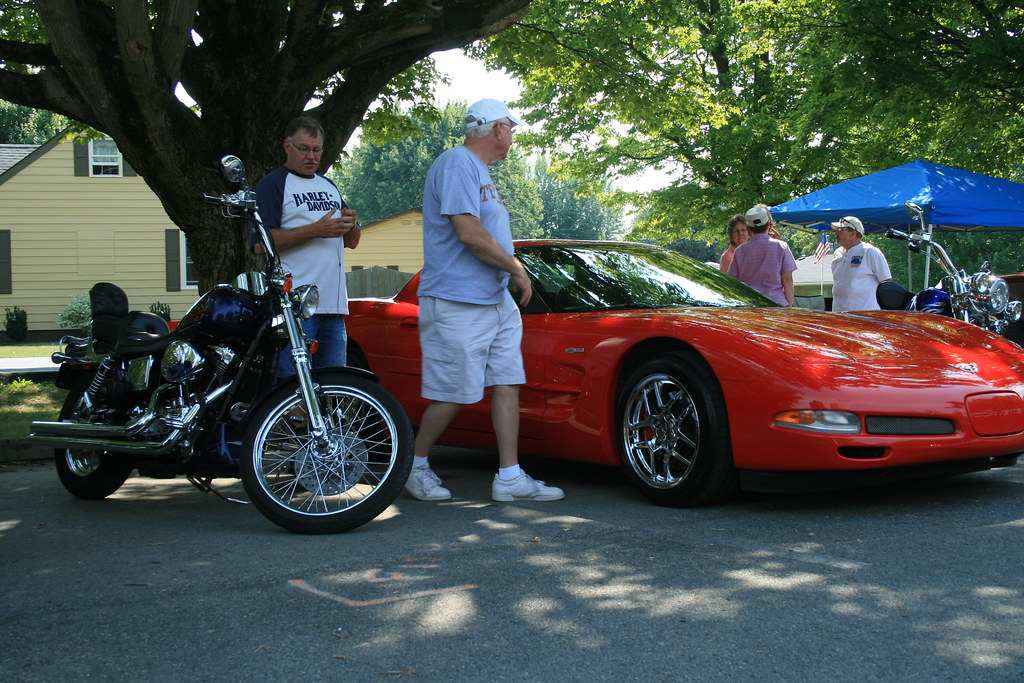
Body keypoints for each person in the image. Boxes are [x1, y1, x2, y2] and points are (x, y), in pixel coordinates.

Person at [406, 99, 564, 503]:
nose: (512, 137)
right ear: (496, 129)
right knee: (456, 391)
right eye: (511, 129)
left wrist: (506, 276)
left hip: (493, 300)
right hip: (457, 299)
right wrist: (515, 268)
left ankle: (509, 477)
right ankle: (414, 464)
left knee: (508, 383)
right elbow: (469, 233)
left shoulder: (478, 172)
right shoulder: (457, 163)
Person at [255, 116, 360, 376]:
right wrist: (315, 231)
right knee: (294, 389)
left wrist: (353, 224)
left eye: (317, 150)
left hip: (334, 307)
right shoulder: (273, 185)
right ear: (287, 146)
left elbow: (352, 242)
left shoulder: (328, 185)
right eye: (304, 149)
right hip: (297, 307)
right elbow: (259, 244)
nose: (311, 156)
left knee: (334, 386)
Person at [727, 204, 797, 306]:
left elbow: (733, 282)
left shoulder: (740, 251)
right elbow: (787, 280)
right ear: (769, 225)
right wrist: (789, 305)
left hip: (749, 305)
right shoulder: (781, 247)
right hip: (777, 304)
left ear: (749, 228)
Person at [829, 215, 892, 312]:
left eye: (841, 229)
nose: (836, 232)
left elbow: (886, 282)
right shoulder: (837, 252)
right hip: (839, 314)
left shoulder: (870, 251)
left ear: (853, 233)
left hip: (865, 314)